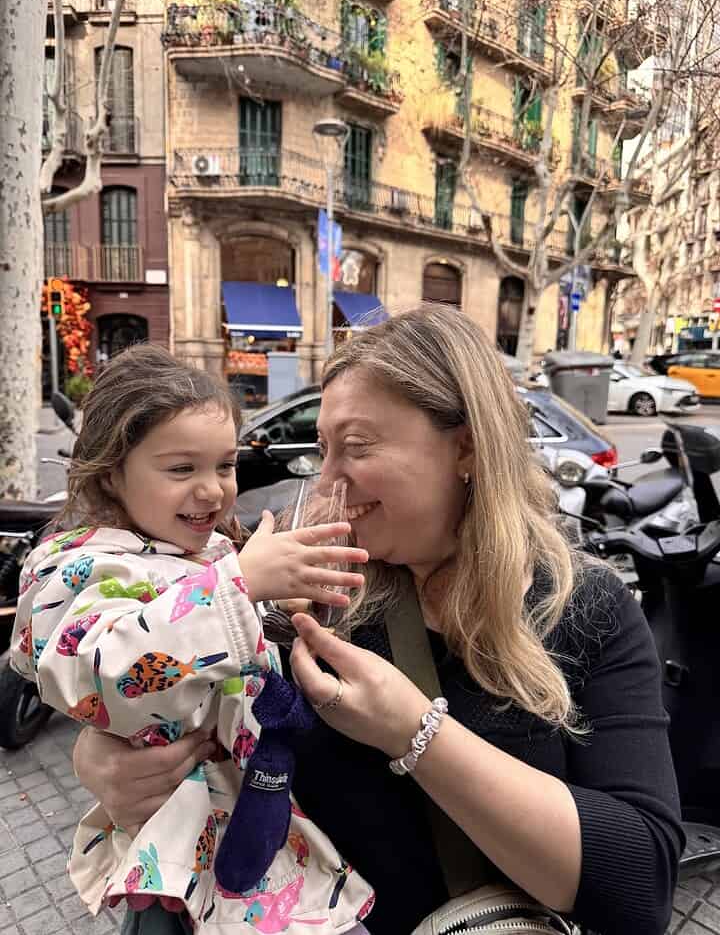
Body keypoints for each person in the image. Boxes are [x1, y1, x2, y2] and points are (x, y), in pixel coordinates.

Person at [72, 307, 684, 935]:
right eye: (323, 451)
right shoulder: (311, 595)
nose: (329, 479)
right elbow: (189, 692)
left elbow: (640, 891)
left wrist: (414, 732)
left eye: (357, 448)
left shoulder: (588, 609)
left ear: (466, 446)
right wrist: (104, 758)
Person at [11, 345, 374, 935]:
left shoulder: (204, 552)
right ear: (111, 472)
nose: (212, 491)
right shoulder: (80, 567)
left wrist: (275, 606)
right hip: (180, 856)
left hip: (252, 828)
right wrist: (238, 590)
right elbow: (101, 674)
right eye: (182, 469)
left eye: (225, 466)